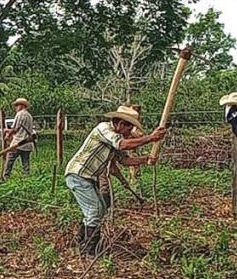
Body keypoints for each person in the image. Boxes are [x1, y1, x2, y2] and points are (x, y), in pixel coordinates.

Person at [65, 106, 167, 256]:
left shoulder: (116, 138)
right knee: (95, 210)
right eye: (130, 127)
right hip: (78, 175)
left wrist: (146, 160)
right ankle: (89, 250)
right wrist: (151, 138)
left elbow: (124, 160)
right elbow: (122, 145)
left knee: (100, 208)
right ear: (120, 124)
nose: (130, 131)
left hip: (88, 178)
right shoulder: (104, 128)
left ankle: (82, 241)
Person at [1, 98, 34, 181]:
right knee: (25, 162)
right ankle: (26, 178)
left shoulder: (20, 114)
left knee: (9, 160)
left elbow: (15, 129)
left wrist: (6, 131)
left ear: (21, 106)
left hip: (18, 142)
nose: (16, 107)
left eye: (17, 105)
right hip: (28, 143)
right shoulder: (29, 115)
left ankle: (5, 177)